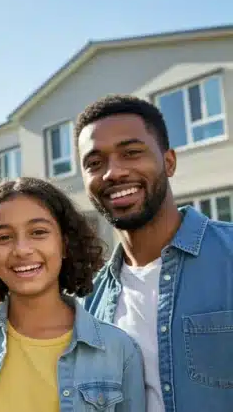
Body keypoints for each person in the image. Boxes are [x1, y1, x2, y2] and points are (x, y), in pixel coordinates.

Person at [78, 94, 233, 412]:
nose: (113, 173)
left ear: (169, 162)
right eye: (95, 163)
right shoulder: (88, 305)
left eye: (131, 153)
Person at [0, 177, 146, 412]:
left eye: (38, 232)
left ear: (65, 243)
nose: (22, 250)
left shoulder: (120, 350)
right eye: (4, 237)